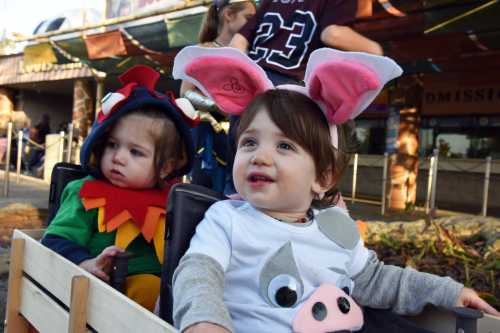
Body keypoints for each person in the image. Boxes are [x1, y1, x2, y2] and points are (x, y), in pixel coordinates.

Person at [171, 47, 499, 333]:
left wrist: (447, 292)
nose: (260, 155)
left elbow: (377, 281)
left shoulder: (336, 229)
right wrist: (205, 320)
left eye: (284, 145)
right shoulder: (227, 219)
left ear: (323, 178)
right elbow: (200, 272)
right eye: (250, 142)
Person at [41, 65, 195, 312]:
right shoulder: (87, 192)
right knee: (148, 290)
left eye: (135, 152)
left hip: (159, 296)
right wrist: (84, 262)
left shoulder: (172, 202)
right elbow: (57, 239)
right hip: (93, 291)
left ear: (166, 167)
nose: (118, 157)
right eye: (113, 145)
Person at [180, 0, 256, 193]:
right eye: (248, 18)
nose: (253, 24)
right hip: (208, 135)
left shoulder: (254, 55)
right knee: (202, 193)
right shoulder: (203, 49)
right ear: (229, 15)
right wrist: (216, 104)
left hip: (243, 135)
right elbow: (185, 93)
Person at [230, 0, 383, 85]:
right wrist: (377, 50)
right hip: (293, 90)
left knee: (243, 142)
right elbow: (333, 34)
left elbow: (237, 43)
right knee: (340, 130)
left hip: (253, 83)